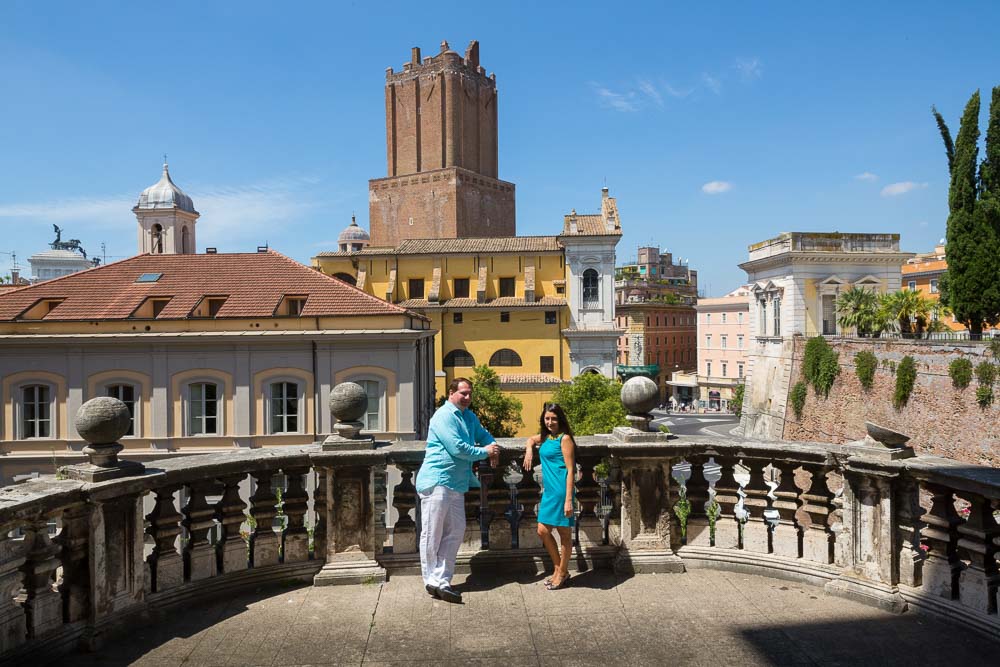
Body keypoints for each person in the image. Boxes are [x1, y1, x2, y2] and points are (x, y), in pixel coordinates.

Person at [416, 377, 500, 604]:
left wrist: (493, 447)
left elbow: (484, 436)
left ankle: (442, 579)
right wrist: (485, 452)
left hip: (457, 482)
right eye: (463, 393)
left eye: (470, 393)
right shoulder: (444, 416)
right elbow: (457, 448)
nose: (467, 397)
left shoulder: (468, 417)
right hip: (437, 479)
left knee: (456, 530)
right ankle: (431, 581)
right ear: (451, 393)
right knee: (432, 532)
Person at [522, 403, 576, 590]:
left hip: (562, 492)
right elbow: (530, 439)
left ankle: (561, 572)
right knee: (542, 531)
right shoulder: (546, 437)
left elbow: (570, 470)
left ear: (559, 419)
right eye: (547, 418)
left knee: (564, 534)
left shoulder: (565, 438)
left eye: (553, 418)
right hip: (549, 492)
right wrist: (529, 449)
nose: (550, 422)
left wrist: (569, 499)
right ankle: (558, 568)